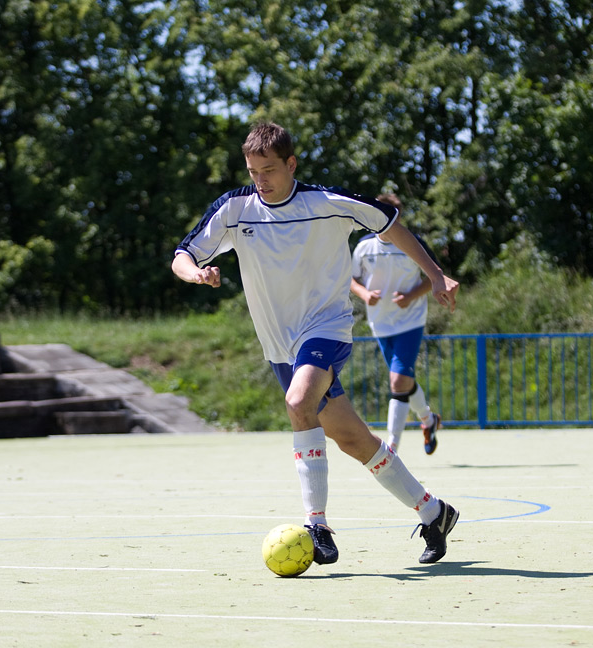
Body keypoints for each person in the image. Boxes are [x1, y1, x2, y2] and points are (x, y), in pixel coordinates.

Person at [172, 122, 461, 564]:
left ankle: (317, 526)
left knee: (298, 400)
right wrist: (196, 273)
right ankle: (434, 513)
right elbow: (183, 255)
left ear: (291, 164)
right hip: (280, 347)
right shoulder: (235, 209)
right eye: (253, 172)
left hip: (327, 328)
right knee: (354, 440)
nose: (260, 180)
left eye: (269, 170)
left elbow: (391, 224)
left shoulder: (327, 203)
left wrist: (436, 274)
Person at [350, 193, 442, 455]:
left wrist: (411, 296)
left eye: (394, 215)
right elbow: (351, 279)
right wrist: (365, 294)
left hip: (410, 320)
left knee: (398, 380)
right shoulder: (364, 247)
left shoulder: (414, 244)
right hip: (380, 322)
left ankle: (391, 448)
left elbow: (435, 276)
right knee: (403, 380)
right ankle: (429, 420)